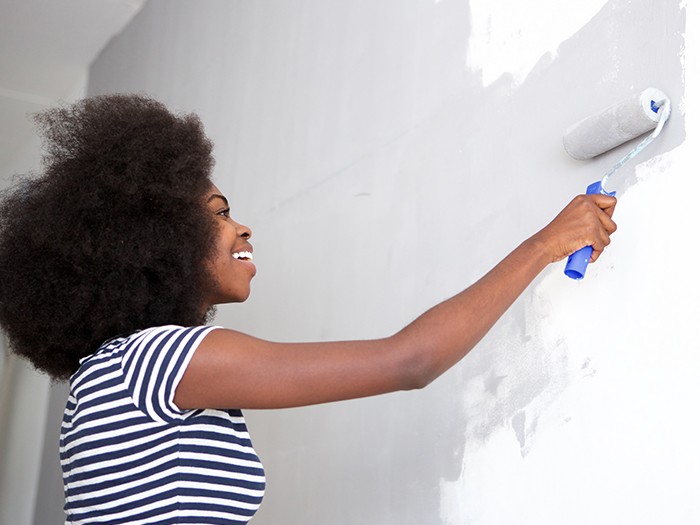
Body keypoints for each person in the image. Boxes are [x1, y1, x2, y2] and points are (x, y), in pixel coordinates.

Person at [0, 94, 617, 524]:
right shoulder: (159, 359)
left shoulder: (107, 376)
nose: (243, 229)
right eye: (219, 213)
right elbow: (409, 361)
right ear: (153, 239)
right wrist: (545, 243)